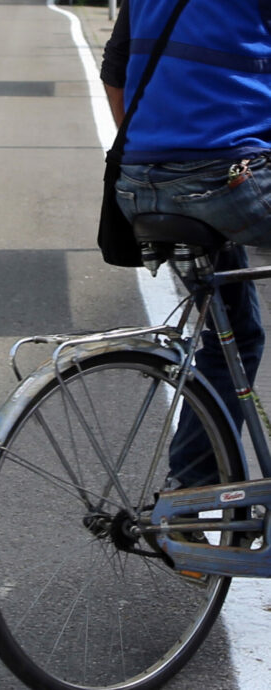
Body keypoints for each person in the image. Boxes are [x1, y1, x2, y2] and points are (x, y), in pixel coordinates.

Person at [100, 0, 271, 488]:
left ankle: (193, 497)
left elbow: (115, 73)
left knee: (230, 336)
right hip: (227, 182)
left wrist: (163, 164)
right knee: (230, 335)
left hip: (140, 184)